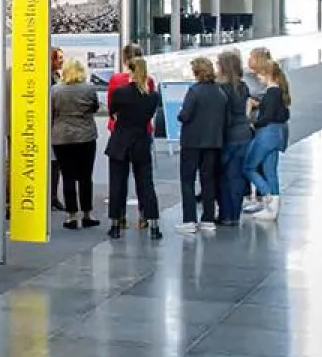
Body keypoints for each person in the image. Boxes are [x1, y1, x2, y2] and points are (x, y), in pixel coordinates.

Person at [106, 58, 163, 240]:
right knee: (146, 183)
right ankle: (153, 223)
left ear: (129, 70)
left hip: (120, 140)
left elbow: (112, 112)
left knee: (117, 183)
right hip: (141, 141)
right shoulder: (152, 96)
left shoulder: (120, 93)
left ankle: (116, 223)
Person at [175, 56, 228, 234]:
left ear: (196, 72)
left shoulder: (194, 91)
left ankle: (189, 219)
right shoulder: (220, 92)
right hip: (213, 142)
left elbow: (185, 115)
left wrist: (180, 114)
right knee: (208, 180)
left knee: (188, 180)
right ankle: (208, 218)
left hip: (192, 142)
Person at [50, 58, 101, 230]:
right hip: (85, 136)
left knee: (68, 176)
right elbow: (95, 107)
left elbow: (51, 112)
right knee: (86, 176)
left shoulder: (55, 90)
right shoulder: (89, 88)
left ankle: (71, 216)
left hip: (62, 138)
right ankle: (88, 214)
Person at [243, 60, 292, 221]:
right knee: (270, 170)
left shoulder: (271, 93)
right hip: (278, 134)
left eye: (258, 74)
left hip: (266, 134)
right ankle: (273, 208)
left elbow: (267, 117)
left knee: (249, 167)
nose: (257, 77)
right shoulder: (280, 92)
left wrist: (252, 123)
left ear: (266, 74)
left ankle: (267, 194)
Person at [216, 50, 252, 226]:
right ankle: (234, 214)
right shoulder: (243, 86)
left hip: (229, 135)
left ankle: (225, 214)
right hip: (244, 132)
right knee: (237, 176)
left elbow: (223, 116)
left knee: (224, 176)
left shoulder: (221, 88)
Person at [49, 47, 65, 211]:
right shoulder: (46, 78)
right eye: (59, 57)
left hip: (57, 127)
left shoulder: (57, 76)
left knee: (56, 163)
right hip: (49, 125)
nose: (62, 60)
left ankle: (53, 196)